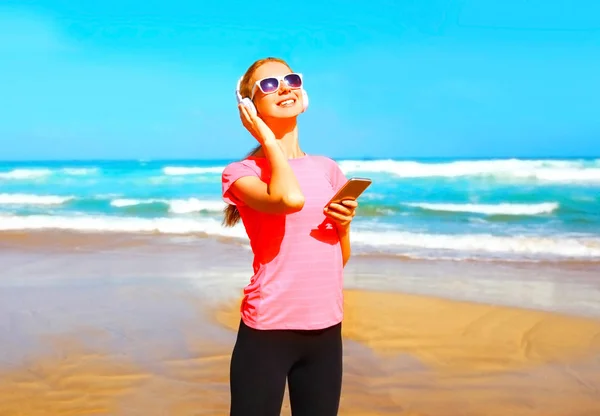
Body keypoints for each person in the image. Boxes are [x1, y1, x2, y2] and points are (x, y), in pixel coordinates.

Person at [221, 57, 358, 416]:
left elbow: (336, 260)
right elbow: (289, 199)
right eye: (268, 85)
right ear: (250, 108)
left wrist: (342, 227)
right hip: (268, 330)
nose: (284, 87)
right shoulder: (241, 173)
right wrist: (267, 139)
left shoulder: (328, 169)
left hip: (326, 328)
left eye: (290, 79)